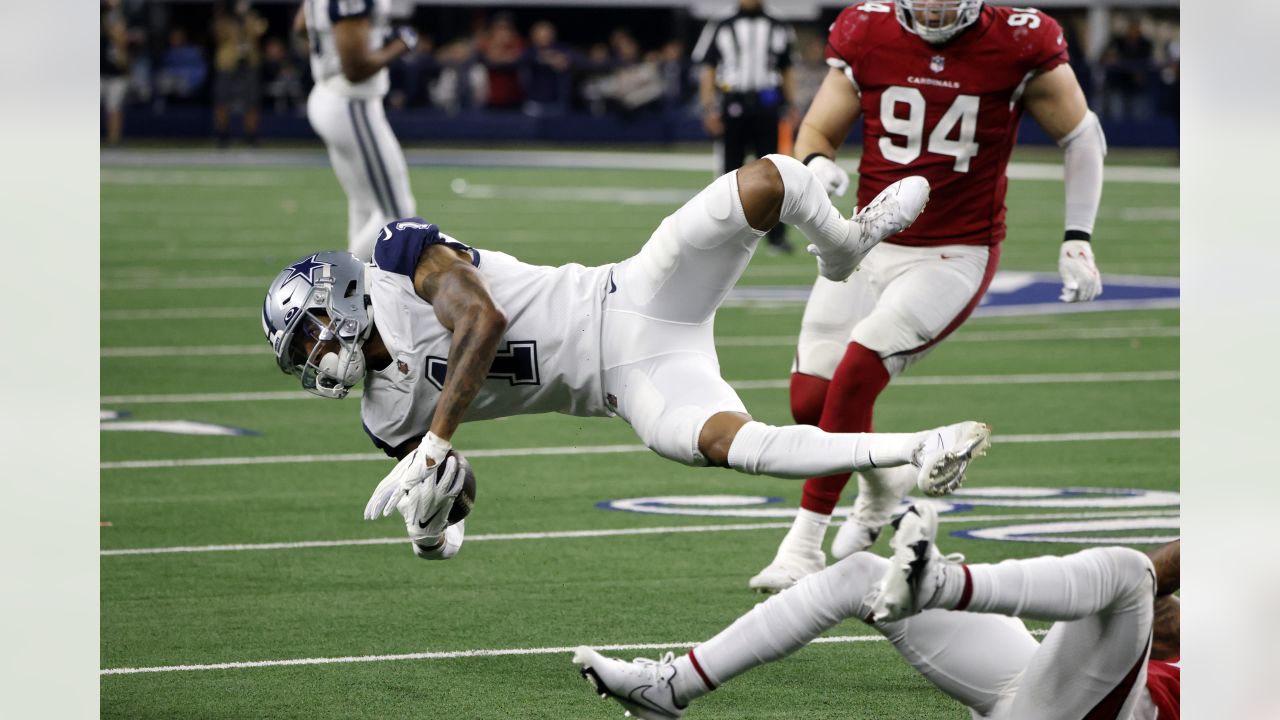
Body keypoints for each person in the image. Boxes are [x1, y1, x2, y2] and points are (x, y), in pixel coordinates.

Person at [262, 155, 992, 560]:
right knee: (730, 446)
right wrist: (437, 524)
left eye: (313, 330)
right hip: (627, 383)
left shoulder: (396, 262)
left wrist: (436, 445)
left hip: (629, 292)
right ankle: (916, 449)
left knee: (765, 181)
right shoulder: (385, 417)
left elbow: (481, 322)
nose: (316, 354)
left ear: (345, 291)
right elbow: (454, 489)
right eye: (302, 350)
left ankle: (843, 248)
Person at [749, 0, 1107, 593]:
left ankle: (803, 545)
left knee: (858, 370)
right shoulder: (867, 27)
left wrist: (1077, 236)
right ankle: (886, 486)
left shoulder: (1020, 40)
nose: (936, 11)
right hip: (868, 237)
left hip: (953, 252)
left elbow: (1081, 133)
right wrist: (818, 165)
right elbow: (819, 128)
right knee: (810, 399)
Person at [575, 510, 1179, 720]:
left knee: (1128, 574)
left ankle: (938, 581)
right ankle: (670, 688)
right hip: (1050, 688)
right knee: (862, 576)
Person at [298, 0, 420, 260]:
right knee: (398, 213)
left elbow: (301, 26)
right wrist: (399, 45)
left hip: (331, 94)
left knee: (365, 204)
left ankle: (359, 294)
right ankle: (344, 287)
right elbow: (356, 69)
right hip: (351, 101)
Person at [693, 0, 798, 254]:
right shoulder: (721, 23)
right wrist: (708, 108)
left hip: (767, 104)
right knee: (730, 173)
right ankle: (725, 235)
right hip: (733, 103)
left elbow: (787, 68)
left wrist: (792, 105)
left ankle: (776, 236)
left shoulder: (778, 23)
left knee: (775, 171)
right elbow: (708, 68)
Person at [212, 1, 267, 147]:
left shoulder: (252, 16)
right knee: (223, 100)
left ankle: (251, 136)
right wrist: (229, 19)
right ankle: (222, 136)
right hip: (228, 63)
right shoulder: (224, 18)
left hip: (249, 62)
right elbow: (218, 35)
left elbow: (261, 29)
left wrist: (246, 20)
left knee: (252, 101)